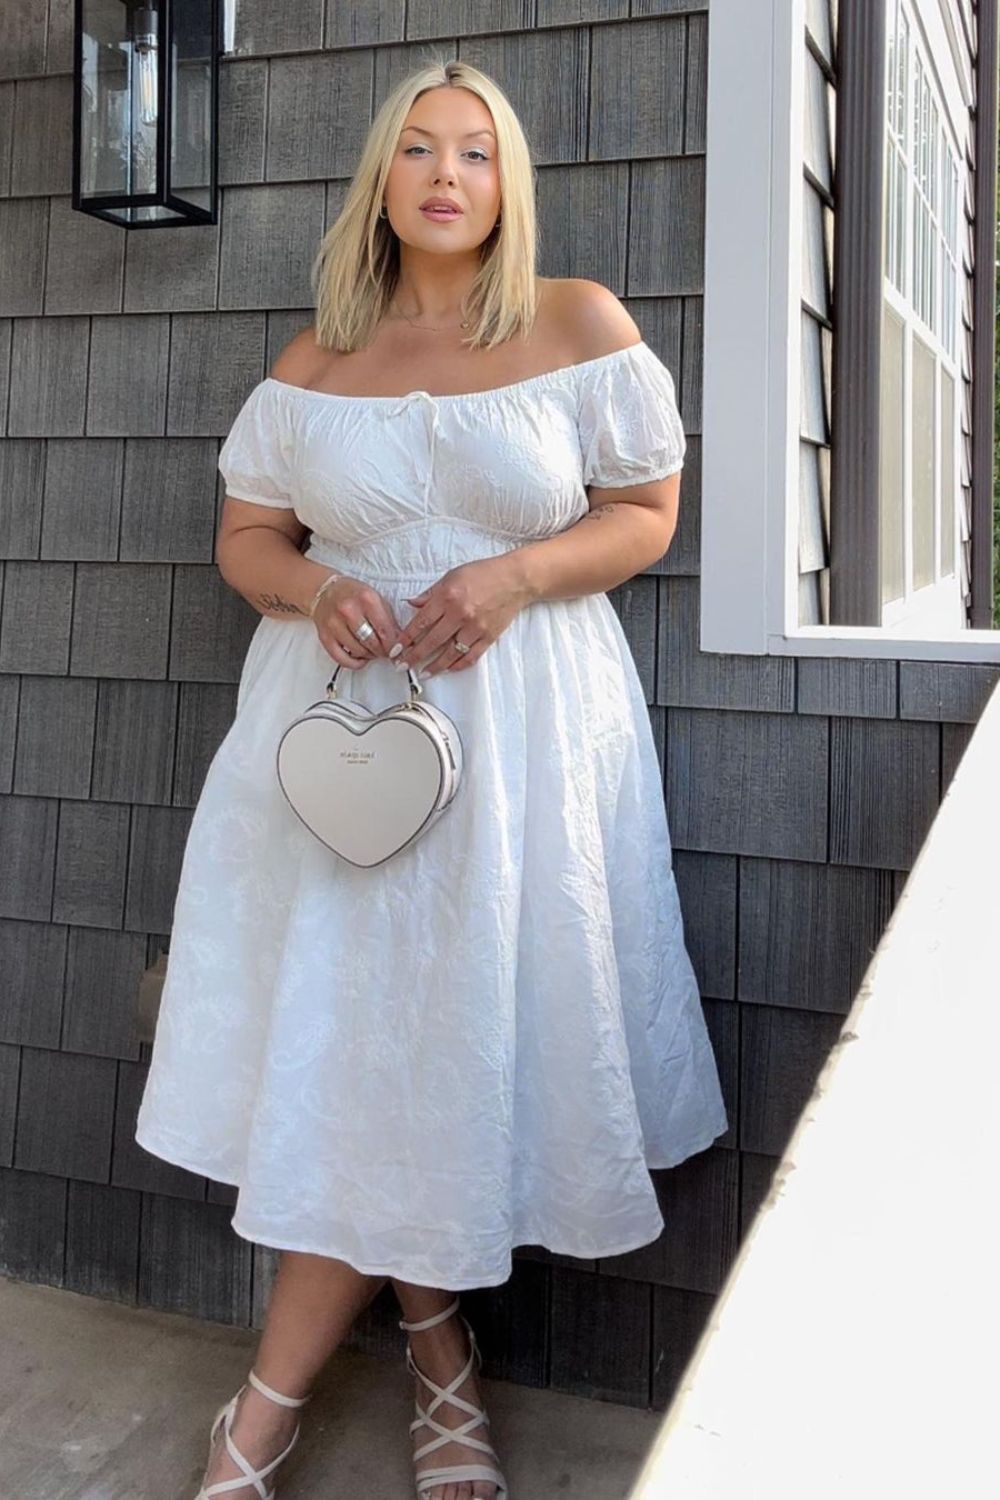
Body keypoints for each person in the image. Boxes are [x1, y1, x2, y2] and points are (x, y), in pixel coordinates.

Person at [134, 55, 728, 1500]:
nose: (448, 174)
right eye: (419, 150)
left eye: (475, 150)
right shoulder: (312, 363)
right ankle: (402, 1366)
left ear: (507, 181)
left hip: (519, 740)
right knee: (358, 1050)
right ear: (382, 182)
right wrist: (312, 587)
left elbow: (645, 512)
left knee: (442, 1044)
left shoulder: (577, 325)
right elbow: (247, 542)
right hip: (333, 738)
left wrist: (519, 573)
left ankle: (323, 1394)